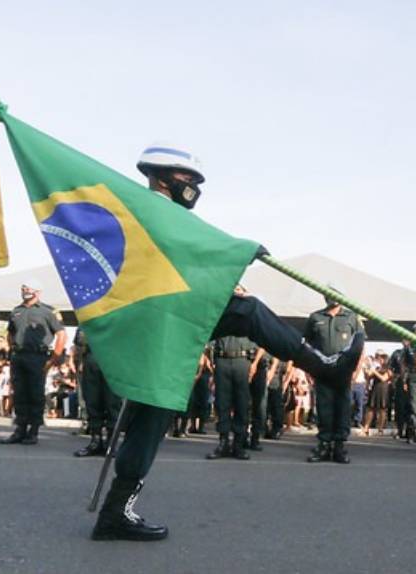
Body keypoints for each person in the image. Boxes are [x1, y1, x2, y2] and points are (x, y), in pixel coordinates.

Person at [90, 143, 365, 542]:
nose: (193, 186)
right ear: (160, 177)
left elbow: (185, 262)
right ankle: (326, 368)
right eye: (187, 178)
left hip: (164, 325)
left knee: (153, 414)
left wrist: (223, 275)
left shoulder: (163, 216)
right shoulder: (151, 210)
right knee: (246, 311)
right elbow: (190, 248)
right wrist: (239, 251)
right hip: (156, 321)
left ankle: (114, 513)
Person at [0, 280, 67, 446]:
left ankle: (34, 431)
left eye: (29, 288)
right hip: (18, 356)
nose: (25, 291)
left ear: (38, 291)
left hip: (38, 357)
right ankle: (20, 429)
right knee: (19, 393)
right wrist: (12, 350)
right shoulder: (16, 310)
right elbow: (10, 333)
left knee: (35, 394)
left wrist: (54, 359)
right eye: (23, 288)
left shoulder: (48, 311)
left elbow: (61, 334)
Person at [304, 290, 364, 464]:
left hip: (343, 371)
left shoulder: (352, 317)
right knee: (324, 408)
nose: (332, 298)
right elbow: (306, 345)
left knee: (342, 408)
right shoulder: (315, 317)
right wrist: (308, 369)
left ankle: (339, 447)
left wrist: (356, 371)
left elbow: (360, 346)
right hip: (322, 370)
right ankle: (324, 445)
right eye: (329, 294)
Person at [207, 333, 262, 460]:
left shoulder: (248, 320)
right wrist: (209, 358)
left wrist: (255, 363)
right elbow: (210, 338)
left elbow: (260, 342)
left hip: (242, 360)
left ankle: (238, 444)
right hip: (222, 359)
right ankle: (223, 442)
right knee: (222, 403)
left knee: (242, 403)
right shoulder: (221, 320)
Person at [73, 328, 121, 457]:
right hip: (92, 358)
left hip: (114, 359)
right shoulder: (90, 316)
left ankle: (111, 443)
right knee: (92, 402)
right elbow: (79, 341)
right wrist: (79, 361)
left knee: (113, 403)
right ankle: (95, 441)